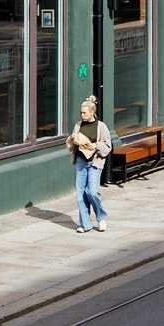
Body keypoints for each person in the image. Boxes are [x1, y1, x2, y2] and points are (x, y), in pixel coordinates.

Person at [67, 94, 112, 234]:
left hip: (95, 161)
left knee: (92, 191)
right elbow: (70, 144)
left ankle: (100, 217)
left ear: (92, 112)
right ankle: (85, 224)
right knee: (81, 194)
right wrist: (72, 138)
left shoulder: (101, 126)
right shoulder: (78, 125)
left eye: (84, 112)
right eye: (81, 112)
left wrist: (95, 145)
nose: (82, 115)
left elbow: (107, 145)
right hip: (81, 161)